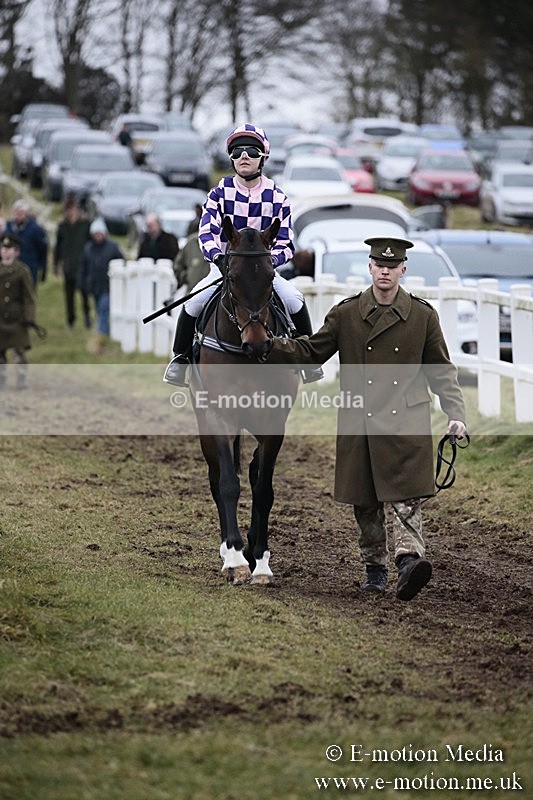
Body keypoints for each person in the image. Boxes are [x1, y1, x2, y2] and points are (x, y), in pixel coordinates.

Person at [265, 236, 467, 601]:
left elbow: (441, 370)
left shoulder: (422, 316)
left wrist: (456, 413)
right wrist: (270, 346)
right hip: (360, 419)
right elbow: (313, 351)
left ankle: (408, 560)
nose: (385, 271)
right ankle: (375, 569)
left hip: (406, 420)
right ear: (370, 268)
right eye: (379, 265)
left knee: (407, 498)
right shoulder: (346, 314)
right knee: (366, 502)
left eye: (392, 266)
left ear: (403, 270)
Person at [163, 123, 323, 387]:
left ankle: (309, 361)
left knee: (295, 299)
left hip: (263, 273)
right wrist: (219, 258)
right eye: (237, 152)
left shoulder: (278, 197)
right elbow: (206, 233)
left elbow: (286, 243)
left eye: (251, 151)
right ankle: (180, 360)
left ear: (263, 157)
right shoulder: (218, 193)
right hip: (224, 268)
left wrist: (270, 262)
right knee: (192, 304)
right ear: (231, 158)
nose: (244, 156)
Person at [78, 218, 123, 350]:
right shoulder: (88, 248)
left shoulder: (112, 247)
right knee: (99, 309)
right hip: (94, 286)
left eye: (100, 233)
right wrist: (82, 283)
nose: (98, 236)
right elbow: (83, 267)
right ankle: (106, 332)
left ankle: (102, 335)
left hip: (108, 286)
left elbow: (121, 262)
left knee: (104, 308)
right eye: (95, 234)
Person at [0, 233, 36, 391]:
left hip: (17, 319)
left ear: (16, 252)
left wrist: (29, 317)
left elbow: (29, 297)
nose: (6, 252)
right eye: (3, 248)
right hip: (0, 318)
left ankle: (21, 378)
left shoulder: (22, 271)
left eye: (10, 249)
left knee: (20, 350)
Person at [53, 196, 92, 329]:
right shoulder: (62, 226)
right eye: (68, 210)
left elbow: (90, 244)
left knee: (84, 294)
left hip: (82, 264)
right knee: (69, 295)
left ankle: (87, 317)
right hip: (68, 265)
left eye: (72, 209)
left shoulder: (85, 224)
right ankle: (70, 320)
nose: (70, 212)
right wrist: (56, 264)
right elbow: (58, 246)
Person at [5, 200, 48, 286]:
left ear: (26, 214)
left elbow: (43, 249)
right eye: (16, 212)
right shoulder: (8, 227)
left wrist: (43, 266)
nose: (18, 215)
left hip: (29, 267)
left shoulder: (35, 229)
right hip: (10, 268)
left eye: (21, 212)